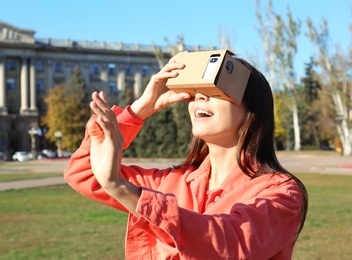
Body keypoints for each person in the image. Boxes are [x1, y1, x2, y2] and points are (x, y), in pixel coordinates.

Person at [64, 53, 308, 259]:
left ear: (251, 111)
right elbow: (84, 173)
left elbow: (231, 243)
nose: (199, 97)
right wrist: (140, 109)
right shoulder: (170, 182)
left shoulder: (281, 193)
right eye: (196, 92)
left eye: (215, 91)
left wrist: (121, 187)